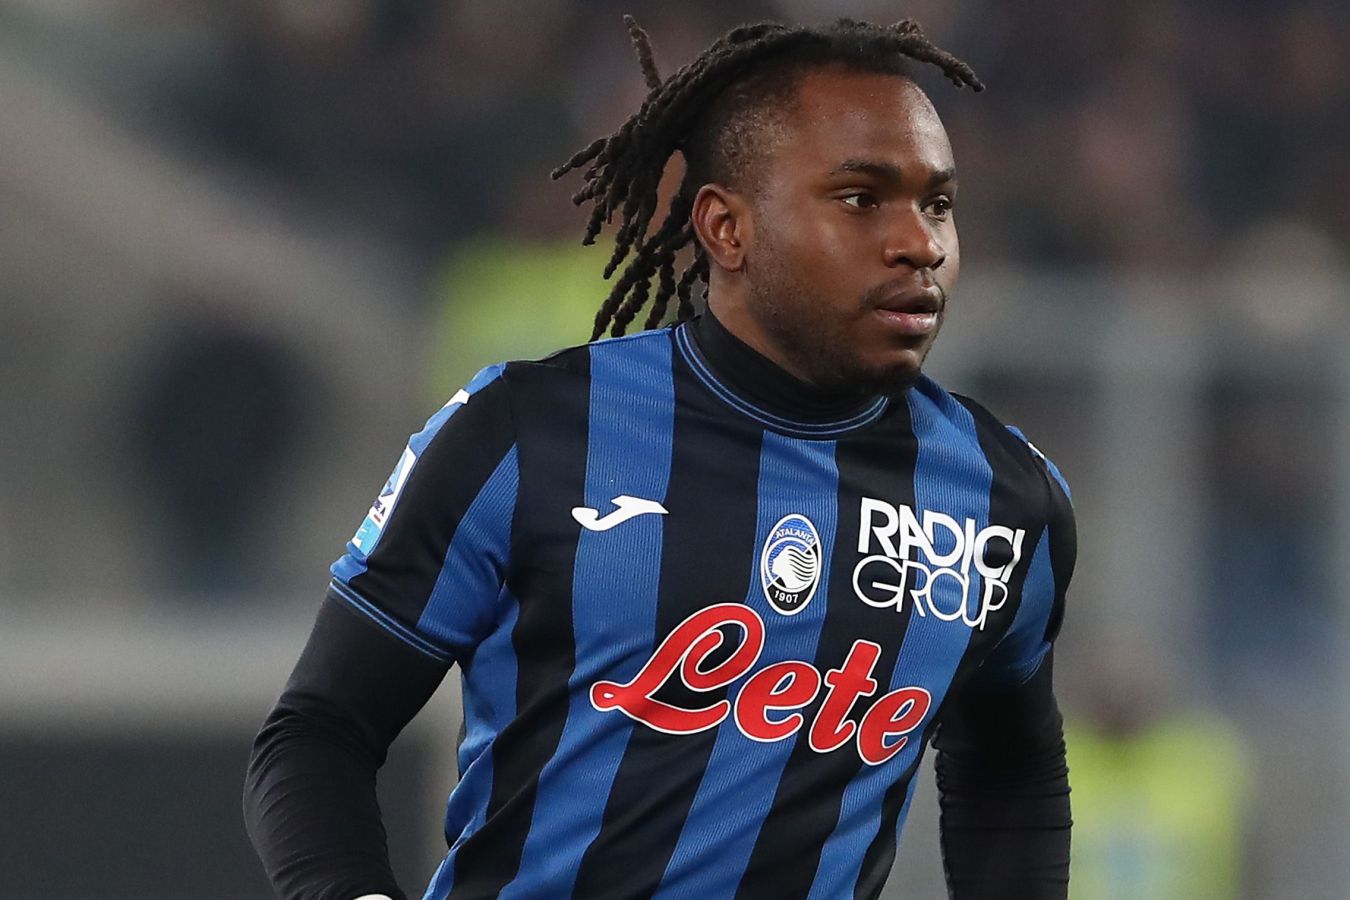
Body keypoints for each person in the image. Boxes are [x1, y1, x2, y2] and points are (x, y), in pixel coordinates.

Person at [244, 16, 1076, 900]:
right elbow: (320, 730)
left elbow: (1010, 777)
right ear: (726, 228)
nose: (921, 243)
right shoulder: (526, 434)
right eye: (861, 199)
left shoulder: (1005, 500)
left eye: (937, 203)